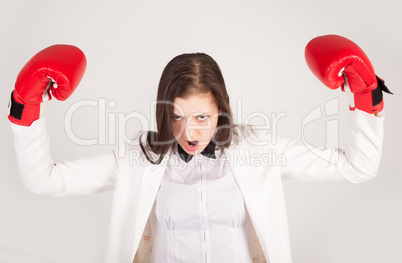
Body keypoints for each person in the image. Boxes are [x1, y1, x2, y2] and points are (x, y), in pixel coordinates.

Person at [8, 35, 390, 263]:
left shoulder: (258, 148)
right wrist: (26, 108)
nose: (189, 132)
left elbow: (357, 167)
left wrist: (366, 95)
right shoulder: (139, 158)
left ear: (221, 109)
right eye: (177, 117)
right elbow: (43, 179)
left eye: (202, 118)